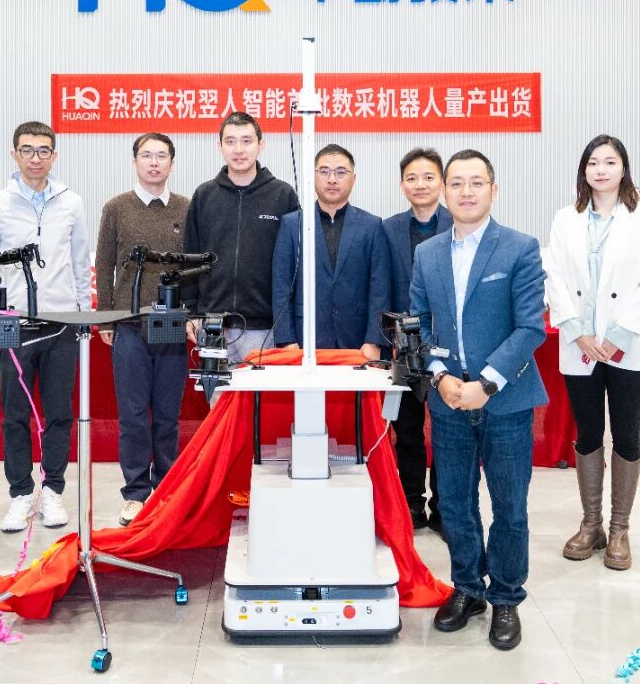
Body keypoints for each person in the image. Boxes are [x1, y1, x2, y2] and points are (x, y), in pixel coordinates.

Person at [409, 149, 547, 651]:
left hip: (504, 401)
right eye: (457, 183)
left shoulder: (520, 248)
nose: (466, 192)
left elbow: (530, 328)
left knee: (509, 505)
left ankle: (506, 596)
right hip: (448, 399)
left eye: (476, 182)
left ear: (493, 189)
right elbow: (418, 324)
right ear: (445, 191)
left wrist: (484, 385)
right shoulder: (427, 254)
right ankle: (467, 588)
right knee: (456, 503)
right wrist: (441, 376)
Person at [544, 134, 640, 571]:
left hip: (626, 346)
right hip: (580, 345)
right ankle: (591, 523)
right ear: (584, 170)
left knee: (627, 433)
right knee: (588, 432)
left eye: (610, 162)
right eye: (593, 162)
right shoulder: (566, 219)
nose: (601, 169)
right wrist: (577, 332)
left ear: (623, 168)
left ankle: (619, 529)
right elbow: (554, 276)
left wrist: (618, 334)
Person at [0, 121, 91, 532]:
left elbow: (80, 263)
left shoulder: (71, 203)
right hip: (14, 325)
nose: (35, 158)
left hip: (61, 324)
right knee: (15, 415)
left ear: (54, 156)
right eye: (27, 150)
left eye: (43, 150)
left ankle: (53, 489)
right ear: (14, 155)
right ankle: (21, 493)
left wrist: (82, 315)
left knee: (59, 412)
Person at [94, 133, 191, 525]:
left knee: (168, 414)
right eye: (146, 155)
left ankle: (165, 489)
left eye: (161, 156)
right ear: (135, 162)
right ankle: (135, 492)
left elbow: (194, 267)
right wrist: (106, 317)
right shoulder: (116, 207)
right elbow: (104, 265)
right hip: (129, 325)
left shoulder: (186, 208)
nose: (154, 162)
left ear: (171, 163)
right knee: (133, 414)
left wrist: (193, 316)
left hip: (172, 325)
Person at [183, 112, 299, 376]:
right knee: (218, 398)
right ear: (219, 146)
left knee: (260, 400)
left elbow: (295, 264)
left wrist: (288, 326)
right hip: (212, 325)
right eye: (230, 141)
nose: (238, 150)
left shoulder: (283, 196)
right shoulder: (204, 195)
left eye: (246, 141)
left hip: (264, 328)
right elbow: (190, 257)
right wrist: (191, 312)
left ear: (261, 144)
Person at [382, 148, 452, 533]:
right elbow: (380, 286)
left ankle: (444, 507)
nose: (420, 184)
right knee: (407, 430)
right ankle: (412, 503)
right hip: (403, 348)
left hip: (447, 347)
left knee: (447, 430)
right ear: (402, 184)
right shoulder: (388, 229)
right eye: (412, 178)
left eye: (428, 177)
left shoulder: (458, 224)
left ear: (441, 183)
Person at [271, 144, 389, 357]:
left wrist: (374, 340)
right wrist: (286, 340)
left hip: (357, 343)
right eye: (324, 171)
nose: (332, 179)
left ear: (353, 178)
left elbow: (379, 289)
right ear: (313, 176)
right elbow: (281, 285)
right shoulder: (292, 224)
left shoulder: (371, 226)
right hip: (304, 341)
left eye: (340, 172)